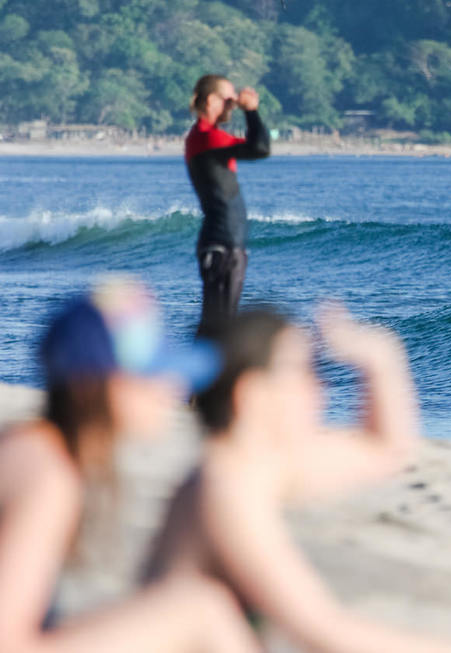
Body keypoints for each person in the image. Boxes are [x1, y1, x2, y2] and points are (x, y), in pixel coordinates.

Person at [144, 305, 451, 652]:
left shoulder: (261, 464)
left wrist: (381, 358)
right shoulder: (225, 486)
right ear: (251, 394)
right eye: (304, 371)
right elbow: (321, 631)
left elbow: (385, 451)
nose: (321, 387)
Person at [0, 277, 259, 652]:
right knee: (201, 609)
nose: (172, 386)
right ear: (101, 384)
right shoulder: (47, 474)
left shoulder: (34, 448)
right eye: (151, 372)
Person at [185, 74, 271, 338]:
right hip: (220, 246)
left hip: (226, 245)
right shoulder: (205, 137)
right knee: (219, 329)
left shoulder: (206, 138)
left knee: (221, 326)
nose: (233, 106)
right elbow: (260, 147)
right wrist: (252, 111)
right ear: (211, 101)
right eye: (228, 100)